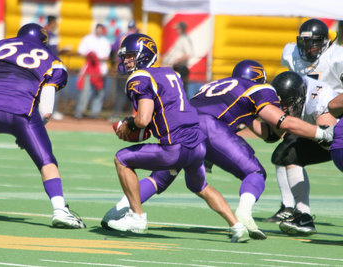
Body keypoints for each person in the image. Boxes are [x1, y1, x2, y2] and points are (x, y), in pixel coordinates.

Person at [102, 59, 335, 240]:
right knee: (255, 173)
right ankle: (243, 213)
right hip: (211, 129)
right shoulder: (258, 90)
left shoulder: (214, 87)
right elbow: (280, 123)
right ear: (259, 79)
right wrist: (320, 133)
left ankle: (118, 211)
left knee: (162, 177)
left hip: (186, 127)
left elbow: (264, 133)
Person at [105, 33, 250, 243]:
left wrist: (128, 124)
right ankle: (236, 226)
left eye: (129, 56)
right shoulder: (170, 73)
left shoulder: (140, 78)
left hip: (175, 146)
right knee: (200, 186)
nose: (125, 60)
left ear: (143, 56)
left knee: (122, 158)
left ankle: (137, 217)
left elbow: (144, 119)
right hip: (197, 143)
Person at [0, 23, 86, 229]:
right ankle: (60, 210)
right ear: (43, 42)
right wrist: (31, 131)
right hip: (22, 112)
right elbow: (46, 109)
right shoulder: (53, 61)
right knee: (46, 160)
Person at [267, 18, 343, 222]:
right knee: (286, 153)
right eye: (305, 42)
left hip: (333, 113)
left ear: (326, 42)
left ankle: (295, 209)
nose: (309, 48)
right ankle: (293, 208)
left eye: (315, 42)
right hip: (306, 110)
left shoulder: (336, 56)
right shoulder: (291, 53)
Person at [265, 71, 336, 236]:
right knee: (290, 153)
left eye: (288, 104)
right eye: (281, 105)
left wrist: (291, 126)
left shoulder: (317, 97)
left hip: (336, 138)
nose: (284, 109)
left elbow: (329, 138)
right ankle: (303, 215)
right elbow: (271, 135)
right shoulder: (296, 94)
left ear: (299, 98)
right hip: (330, 138)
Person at [75, 23, 111, 119]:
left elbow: (107, 56)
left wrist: (98, 58)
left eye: (101, 29)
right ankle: (80, 110)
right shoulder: (88, 39)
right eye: (98, 29)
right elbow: (81, 51)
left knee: (99, 92)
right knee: (85, 91)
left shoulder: (105, 41)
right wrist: (91, 55)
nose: (99, 31)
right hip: (89, 69)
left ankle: (95, 112)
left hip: (101, 69)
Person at [109, 20, 138, 122]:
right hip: (132, 69)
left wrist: (113, 65)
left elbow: (112, 51)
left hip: (122, 68)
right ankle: (132, 115)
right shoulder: (137, 38)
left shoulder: (121, 37)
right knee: (134, 92)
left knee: (121, 93)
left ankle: (115, 114)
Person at [162, 21, 193, 94]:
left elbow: (188, 54)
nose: (176, 30)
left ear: (181, 29)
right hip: (178, 67)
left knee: (180, 90)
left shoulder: (184, 39)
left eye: (178, 29)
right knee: (178, 90)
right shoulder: (181, 39)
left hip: (181, 67)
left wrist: (177, 61)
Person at [45, 15, 63, 121]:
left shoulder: (54, 35)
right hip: (46, 65)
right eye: (55, 22)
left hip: (54, 65)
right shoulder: (45, 34)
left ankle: (53, 111)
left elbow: (54, 50)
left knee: (55, 88)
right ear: (52, 22)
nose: (56, 24)